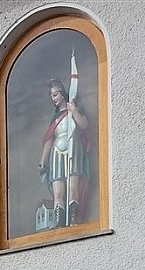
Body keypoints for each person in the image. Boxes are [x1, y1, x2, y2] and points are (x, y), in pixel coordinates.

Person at [37, 75, 91, 229]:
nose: (53, 98)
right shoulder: (55, 118)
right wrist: (43, 159)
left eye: (55, 95)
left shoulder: (73, 111)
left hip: (73, 151)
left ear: (62, 94)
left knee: (73, 189)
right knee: (58, 193)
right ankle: (59, 223)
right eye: (51, 96)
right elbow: (49, 138)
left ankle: (74, 219)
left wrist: (73, 110)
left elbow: (83, 125)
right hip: (57, 154)